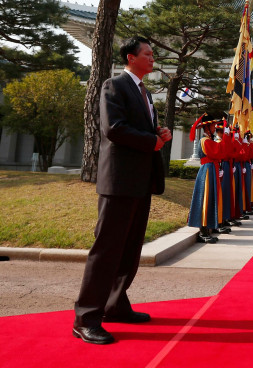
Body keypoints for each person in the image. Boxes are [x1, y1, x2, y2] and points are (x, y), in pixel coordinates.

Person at [73, 36, 172, 345]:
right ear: (131, 58)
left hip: (140, 181)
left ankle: (115, 304)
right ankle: (86, 316)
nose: (152, 59)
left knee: (130, 249)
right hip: (119, 181)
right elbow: (113, 128)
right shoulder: (113, 86)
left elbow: (139, 128)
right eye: (148, 54)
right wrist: (150, 141)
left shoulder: (144, 92)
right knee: (107, 250)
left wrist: (159, 133)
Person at [187, 113, 229, 244]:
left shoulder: (208, 140)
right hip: (207, 171)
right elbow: (219, 152)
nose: (215, 128)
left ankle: (209, 226)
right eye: (213, 126)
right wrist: (225, 137)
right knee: (205, 199)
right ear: (207, 128)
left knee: (211, 199)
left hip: (211, 170)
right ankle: (203, 230)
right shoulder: (205, 141)